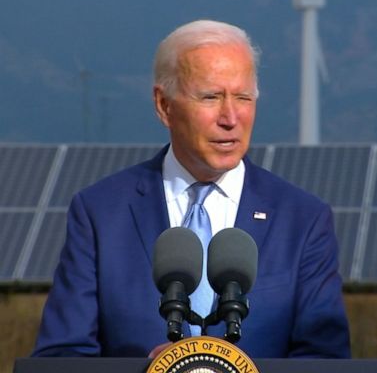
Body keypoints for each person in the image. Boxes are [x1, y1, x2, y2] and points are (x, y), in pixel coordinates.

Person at [32, 19, 350, 358]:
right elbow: (61, 357)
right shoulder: (101, 214)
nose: (230, 117)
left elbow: (325, 358)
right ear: (164, 105)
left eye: (243, 97)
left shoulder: (302, 220)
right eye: (211, 97)